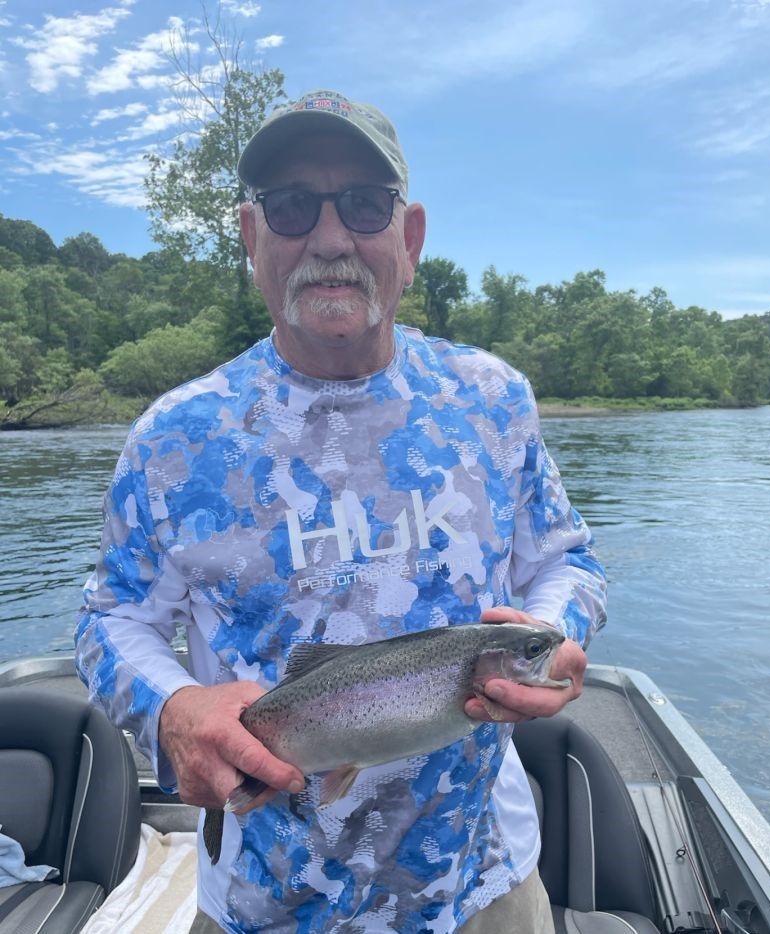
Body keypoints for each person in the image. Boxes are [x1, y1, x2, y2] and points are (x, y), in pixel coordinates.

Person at [75, 88, 607, 934]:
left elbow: (564, 562)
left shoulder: (493, 399)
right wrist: (173, 709)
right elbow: (110, 619)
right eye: (290, 208)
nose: (329, 239)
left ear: (410, 237)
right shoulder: (174, 438)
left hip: (482, 889)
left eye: (364, 204)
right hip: (262, 904)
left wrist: (550, 629)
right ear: (252, 239)